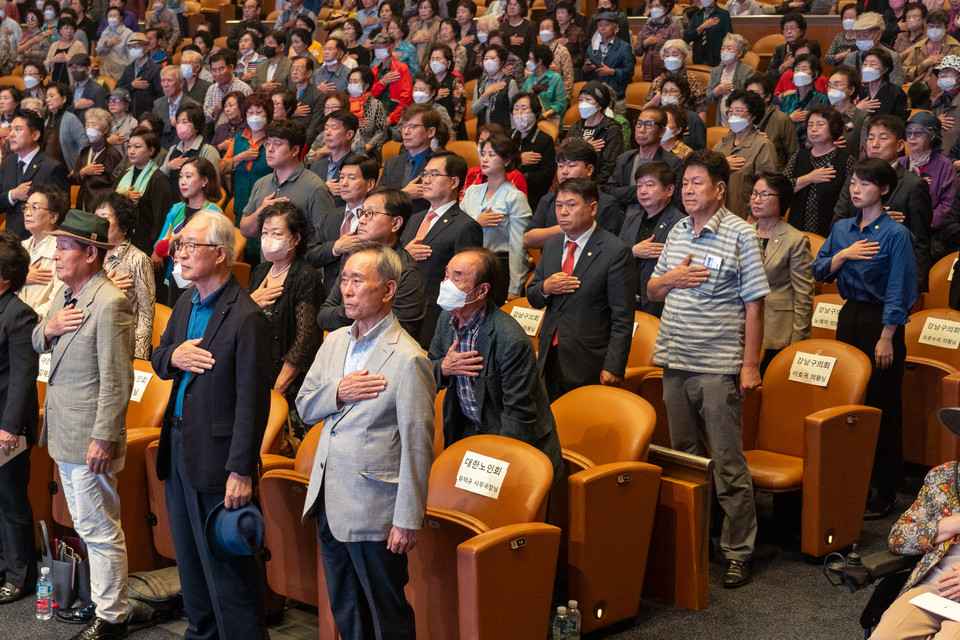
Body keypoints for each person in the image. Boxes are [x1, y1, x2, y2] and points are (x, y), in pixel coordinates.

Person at [297, 240, 434, 640]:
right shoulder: (335, 341)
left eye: (358, 280)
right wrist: (339, 392)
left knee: (386, 614)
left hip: (376, 510)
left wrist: (407, 520)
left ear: (388, 289)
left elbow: (417, 445)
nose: (347, 289)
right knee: (346, 609)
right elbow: (305, 405)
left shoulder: (409, 358)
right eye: (344, 280)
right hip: (329, 498)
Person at [648, 149, 769, 589]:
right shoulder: (677, 231)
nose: (688, 190)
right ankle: (696, 540)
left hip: (717, 365)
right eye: (684, 183)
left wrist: (750, 365)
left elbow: (755, 303)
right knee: (686, 458)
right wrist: (671, 280)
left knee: (728, 462)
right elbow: (654, 290)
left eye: (696, 182)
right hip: (674, 359)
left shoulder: (741, 234)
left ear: (719, 189)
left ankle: (738, 550)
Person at [151, 210, 271, 640]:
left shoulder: (247, 316)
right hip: (179, 444)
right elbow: (159, 358)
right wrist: (175, 356)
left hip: (219, 459)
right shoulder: (185, 301)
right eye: (179, 245)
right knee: (190, 562)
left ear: (220, 254)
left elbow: (253, 403)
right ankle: (201, 634)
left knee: (227, 569)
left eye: (190, 246)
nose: (179, 253)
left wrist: (241, 470)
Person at [33, 208, 134, 640]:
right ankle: (100, 600)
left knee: (99, 527)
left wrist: (104, 438)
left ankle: (113, 616)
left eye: (64, 247)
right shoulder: (65, 294)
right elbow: (37, 339)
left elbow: (117, 380)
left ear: (91, 253)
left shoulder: (110, 303)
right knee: (85, 524)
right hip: (64, 430)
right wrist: (50, 327)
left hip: (90, 438)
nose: (55, 255)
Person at [813, 158, 918, 520]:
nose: (856, 190)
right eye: (854, 183)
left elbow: (900, 287)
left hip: (881, 323)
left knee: (881, 405)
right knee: (849, 404)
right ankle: (853, 480)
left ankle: (885, 488)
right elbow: (819, 269)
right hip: (849, 316)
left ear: (884, 190)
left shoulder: (895, 234)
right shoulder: (842, 228)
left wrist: (887, 335)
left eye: (865, 184)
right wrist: (843, 254)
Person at [428, 246, 563, 480]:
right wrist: (444, 368)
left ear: (482, 290)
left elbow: (518, 415)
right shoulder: (445, 319)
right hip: (467, 432)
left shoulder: (509, 338)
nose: (446, 284)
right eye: (446, 275)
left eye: (457, 278)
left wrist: (493, 467)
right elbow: (427, 371)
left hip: (514, 442)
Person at [527, 176, 635, 401]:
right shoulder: (553, 245)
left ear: (593, 208)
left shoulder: (615, 251)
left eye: (571, 205)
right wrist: (546, 287)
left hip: (590, 360)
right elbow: (533, 296)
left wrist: (614, 366)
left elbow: (622, 317)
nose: (563, 212)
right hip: (551, 355)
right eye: (559, 206)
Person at [833, 114, 933, 294]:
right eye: (871, 138)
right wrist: (873, 219)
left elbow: (921, 242)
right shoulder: (853, 178)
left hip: (893, 276)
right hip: (855, 275)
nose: (875, 144)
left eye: (883, 138)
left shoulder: (914, 185)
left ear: (900, 145)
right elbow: (837, 222)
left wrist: (915, 287)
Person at [317, 187, 427, 338]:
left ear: (396, 223)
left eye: (370, 214)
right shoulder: (354, 260)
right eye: (361, 213)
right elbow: (324, 316)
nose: (361, 220)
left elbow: (403, 333)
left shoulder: (406, 272)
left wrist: (360, 309)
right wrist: (356, 309)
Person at [401, 150, 482, 347]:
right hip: (401, 312)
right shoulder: (413, 219)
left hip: (434, 320)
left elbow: (465, 283)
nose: (426, 180)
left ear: (454, 182)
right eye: (425, 174)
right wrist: (405, 255)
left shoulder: (465, 226)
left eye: (434, 174)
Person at [249, 201, 324, 405]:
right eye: (264, 233)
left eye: (276, 234)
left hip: (288, 384)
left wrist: (279, 387)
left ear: (296, 238)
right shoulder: (260, 271)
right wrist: (249, 304)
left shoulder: (305, 277)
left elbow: (306, 340)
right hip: (255, 373)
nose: (268, 239)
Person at [0, 230, 39, 607]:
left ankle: (20, 576)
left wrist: (10, 428)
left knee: (11, 500)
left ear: (5, 277)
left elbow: (24, 376)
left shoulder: (19, 314)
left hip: (7, 424)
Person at [240, 120, 336, 259]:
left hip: (302, 268)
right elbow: (245, 230)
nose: (270, 149)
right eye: (268, 143)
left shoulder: (315, 187)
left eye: (277, 144)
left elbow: (327, 241)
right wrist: (262, 210)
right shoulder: (261, 183)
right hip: (267, 267)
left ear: (295, 150)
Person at [749, 171, 813, 371]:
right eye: (754, 193)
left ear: (782, 200)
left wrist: (798, 343)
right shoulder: (743, 234)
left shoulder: (795, 240)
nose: (757, 199)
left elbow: (804, 295)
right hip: (741, 329)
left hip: (777, 333)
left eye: (765, 194)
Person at [461, 132, 530, 304]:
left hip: (499, 266)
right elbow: (457, 229)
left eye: (491, 155)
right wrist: (476, 222)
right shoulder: (472, 192)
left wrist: (515, 287)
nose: (484, 159)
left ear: (506, 160)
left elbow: (518, 246)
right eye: (483, 154)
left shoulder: (515, 197)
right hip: (469, 263)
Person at [526, 138, 625, 249]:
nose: (564, 172)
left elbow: (615, 247)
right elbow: (527, 239)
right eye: (560, 166)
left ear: (589, 170)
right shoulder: (548, 200)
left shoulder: (607, 204)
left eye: (571, 166)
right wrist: (564, 228)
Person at [94, 191, 156, 359]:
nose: (98, 223)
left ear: (123, 224)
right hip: (92, 340)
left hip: (123, 345)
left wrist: (139, 357)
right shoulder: (91, 255)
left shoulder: (138, 259)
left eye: (105, 218)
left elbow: (146, 315)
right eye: (96, 217)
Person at [153, 157, 223, 306]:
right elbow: (159, 249)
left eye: (188, 176)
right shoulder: (177, 209)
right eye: (180, 177)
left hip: (202, 281)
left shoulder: (214, 213)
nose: (182, 182)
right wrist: (177, 238)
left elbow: (217, 253)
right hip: (176, 277)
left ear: (204, 180)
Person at [619, 161, 685, 317]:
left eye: (649, 185)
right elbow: (614, 257)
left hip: (661, 306)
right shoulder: (631, 220)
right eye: (639, 186)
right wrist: (633, 251)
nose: (642, 191)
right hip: (627, 303)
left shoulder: (681, 224)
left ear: (669, 190)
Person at [784, 104, 855, 238]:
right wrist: (809, 178)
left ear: (833, 128)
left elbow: (850, 198)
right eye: (810, 125)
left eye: (820, 124)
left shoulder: (846, 160)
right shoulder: (799, 156)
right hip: (796, 229)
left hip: (831, 230)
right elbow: (781, 189)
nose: (814, 129)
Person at [308, 153, 376, 285]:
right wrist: (334, 248)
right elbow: (310, 255)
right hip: (329, 293)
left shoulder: (376, 218)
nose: (344, 183)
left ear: (370, 184)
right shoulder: (330, 216)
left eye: (351, 178)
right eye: (342, 177)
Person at [0, 110, 69, 240]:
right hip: (10, 241)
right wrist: (12, 195)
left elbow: (60, 213)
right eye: (11, 129)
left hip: (39, 242)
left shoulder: (52, 167)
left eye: (18, 129)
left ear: (35, 135)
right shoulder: (7, 163)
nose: (11, 134)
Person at [220, 92, 273, 262]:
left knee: (264, 254)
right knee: (241, 254)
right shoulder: (239, 139)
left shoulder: (273, 140)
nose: (254, 116)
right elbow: (222, 167)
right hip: (241, 204)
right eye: (250, 112)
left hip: (266, 206)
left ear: (268, 115)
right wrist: (241, 156)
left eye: (259, 112)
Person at [711, 89, 778, 218]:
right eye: (731, 112)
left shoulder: (763, 145)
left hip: (745, 215)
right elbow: (707, 168)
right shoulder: (724, 141)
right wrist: (722, 165)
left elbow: (768, 187)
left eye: (739, 112)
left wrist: (753, 215)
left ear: (752, 116)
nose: (733, 116)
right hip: (717, 213)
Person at [902, 111, 956, 260]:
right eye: (909, 132)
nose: (912, 137)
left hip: (931, 233)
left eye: (918, 132)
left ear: (932, 137)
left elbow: (947, 205)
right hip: (901, 230)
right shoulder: (900, 163)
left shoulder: (945, 165)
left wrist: (922, 225)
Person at [605, 106, 682, 208]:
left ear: (662, 131)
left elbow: (675, 200)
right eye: (639, 123)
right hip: (624, 216)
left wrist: (626, 193)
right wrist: (643, 191)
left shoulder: (672, 163)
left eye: (649, 125)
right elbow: (610, 191)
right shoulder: (624, 159)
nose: (641, 130)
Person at [115, 125, 176, 255]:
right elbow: (110, 204)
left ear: (151, 150)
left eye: (137, 147)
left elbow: (162, 219)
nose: (131, 151)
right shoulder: (124, 175)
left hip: (147, 246)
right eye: (129, 146)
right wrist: (122, 198)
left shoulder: (158, 180)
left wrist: (157, 250)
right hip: (123, 242)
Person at [379, 103, 440, 213]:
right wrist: (404, 194)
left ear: (431, 132)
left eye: (413, 126)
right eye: (404, 126)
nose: (406, 132)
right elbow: (379, 199)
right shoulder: (391, 163)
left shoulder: (439, 164)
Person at [18, 184, 67, 320]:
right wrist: (21, 279)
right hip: (12, 322)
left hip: (40, 324)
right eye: (26, 207)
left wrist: (27, 320)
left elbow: (58, 300)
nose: (27, 213)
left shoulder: (62, 252)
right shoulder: (20, 247)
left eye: (35, 208)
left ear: (53, 217)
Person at [565, 81, 624, 188]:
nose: (583, 104)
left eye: (588, 99)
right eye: (581, 100)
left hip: (598, 187)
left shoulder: (612, 129)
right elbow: (564, 155)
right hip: (573, 183)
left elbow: (609, 165)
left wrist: (596, 187)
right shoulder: (576, 127)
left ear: (600, 104)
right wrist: (586, 148)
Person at [161, 103, 221, 195]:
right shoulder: (173, 149)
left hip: (198, 201)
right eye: (178, 122)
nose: (180, 125)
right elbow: (159, 178)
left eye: (185, 122)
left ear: (196, 126)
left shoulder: (208, 150)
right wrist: (167, 167)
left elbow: (213, 183)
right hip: (173, 201)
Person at [70, 107, 122, 212]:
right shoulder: (84, 152)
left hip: (101, 206)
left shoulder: (113, 155)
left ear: (105, 130)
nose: (89, 129)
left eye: (94, 125)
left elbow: (117, 185)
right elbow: (73, 179)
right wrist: (83, 172)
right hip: (82, 204)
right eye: (87, 125)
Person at [511, 92, 558, 209]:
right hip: (506, 192)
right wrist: (518, 160)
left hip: (533, 196)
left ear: (535, 113)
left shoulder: (545, 140)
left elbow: (547, 174)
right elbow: (498, 164)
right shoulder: (507, 137)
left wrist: (520, 178)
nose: (519, 113)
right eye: (516, 109)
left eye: (524, 109)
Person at [745, 74, 799, 170]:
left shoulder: (781, 119)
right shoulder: (743, 117)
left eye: (754, 94)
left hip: (773, 174)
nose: (750, 98)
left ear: (767, 97)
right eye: (747, 94)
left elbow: (793, 154)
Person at [583, 11, 635, 110]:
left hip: (616, 95)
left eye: (607, 25)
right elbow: (587, 73)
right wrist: (586, 69)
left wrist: (612, 71)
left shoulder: (624, 47)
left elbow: (629, 72)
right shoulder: (592, 47)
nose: (603, 28)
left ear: (616, 27)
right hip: (596, 96)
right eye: (600, 25)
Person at [903, 8, 960, 88]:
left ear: (946, 28)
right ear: (926, 26)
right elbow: (904, 73)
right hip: (918, 89)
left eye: (938, 27)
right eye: (931, 26)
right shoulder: (918, 47)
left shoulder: (955, 47)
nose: (934, 30)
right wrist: (923, 65)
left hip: (944, 90)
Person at [844, 12, 905, 85]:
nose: (862, 39)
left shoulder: (893, 57)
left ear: (878, 34)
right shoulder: (851, 58)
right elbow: (847, 86)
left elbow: (896, 86)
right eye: (858, 36)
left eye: (866, 35)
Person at [708, 34, 753, 127]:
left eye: (729, 48)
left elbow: (751, 99)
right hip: (721, 120)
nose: (724, 51)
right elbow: (707, 98)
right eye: (722, 48)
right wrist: (716, 92)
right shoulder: (716, 71)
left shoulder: (747, 71)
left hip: (741, 120)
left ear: (739, 53)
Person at [345, 66, 389, 160]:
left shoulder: (375, 105)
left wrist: (365, 148)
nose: (352, 84)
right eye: (350, 82)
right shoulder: (344, 103)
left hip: (368, 154)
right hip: (344, 151)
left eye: (355, 82)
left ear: (366, 85)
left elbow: (382, 131)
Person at [472, 43, 519, 131]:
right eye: (486, 58)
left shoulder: (510, 83)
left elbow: (515, 112)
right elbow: (474, 111)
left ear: (501, 62)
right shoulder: (479, 83)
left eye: (492, 58)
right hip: (483, 132)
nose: (489, 61)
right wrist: (486, 94)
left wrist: (514, 134)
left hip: (503, 133)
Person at [370, 31, 414, 125]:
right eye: (376, 47)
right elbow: (370, 95)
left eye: (381, 47)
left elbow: (407, 98)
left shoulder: (401, 69)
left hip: (395, 118)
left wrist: (391, 119)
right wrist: (382, 82)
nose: (378, 50)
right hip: (375, 116)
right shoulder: (374, 70)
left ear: (392, 47)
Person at [116, 32, 163, 117]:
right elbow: (118, 89)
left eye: (136, 46)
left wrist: (154, 115)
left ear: (146, 48)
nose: (133, 49)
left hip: (148, 114)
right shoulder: (128, 69)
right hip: (129, 114)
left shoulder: (155, 69)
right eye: (130, 47)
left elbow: (160, 96)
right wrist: (131, 85)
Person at [203, 52, 252, 130]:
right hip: (218, 133)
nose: (217, 74)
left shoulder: (243, 89)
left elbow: (251, 116)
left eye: (221, 69)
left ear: (231, 68)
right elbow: (205, 118)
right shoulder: (212, 89)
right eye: (214, 70)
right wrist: (216, 109)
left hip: (239, 133)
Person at [153, 65, 199, 149]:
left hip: (184, 150)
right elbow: (154, 128)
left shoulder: (193, 106)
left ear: (181, 83)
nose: (165, 85)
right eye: (163, 80)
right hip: (160, 151)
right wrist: (171, 123)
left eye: (169, 80)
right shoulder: (157, 104)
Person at [521, 45, 566, 129]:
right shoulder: (530, 79)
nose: (528, 62)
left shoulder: (555, 78)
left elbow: (561, 104)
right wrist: (532, 92)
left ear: (539, 61)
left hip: (550, 124)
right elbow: (521, 100)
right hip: (531, 124)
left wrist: (546, 114)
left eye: (530, 59)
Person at [638, 0, 683, 82]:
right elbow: (637, 51)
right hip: (647, 71)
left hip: (665, 71)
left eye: (658, 6)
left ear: (666, 8)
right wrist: (646, 42)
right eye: (652, 6)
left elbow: (675, 51)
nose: (654, 9)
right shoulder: (647, 26)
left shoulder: (673, 26)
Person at [683, 0, 732, 66]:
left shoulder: (723, 14)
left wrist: (724, 58)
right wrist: (703, 26)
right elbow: (688, 38)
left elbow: (728, 37)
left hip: (716, 56)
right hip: (699, 56)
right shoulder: (697, 15)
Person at [95, 6, 134, 80]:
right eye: (110, 16)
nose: (112, 18)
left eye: (114, 15)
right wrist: (107, 44)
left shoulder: (128, 33)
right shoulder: (105, 32)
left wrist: (127, 73)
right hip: (105, 72)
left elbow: (131, 57)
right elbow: (98, 51)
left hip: (121, 74)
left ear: (121, 18)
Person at [766, 12, 806, 81]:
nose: (789, 31)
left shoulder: (808, 48)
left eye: (792, 28)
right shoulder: (780, 49)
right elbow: (768, 74)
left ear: (802, 31)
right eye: (786, 28)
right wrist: (783, 67)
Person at [68, 53, 108, 124]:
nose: (75, 70)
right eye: (73, 67)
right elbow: (62, 111)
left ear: (89, 69)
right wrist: (75, 106)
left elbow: (102, 116)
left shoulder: (97, 90)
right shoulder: (70, 89)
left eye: (79, 67)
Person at [933, 55, 960, 156]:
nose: (942, 75)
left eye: (948, 70)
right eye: (940, 71)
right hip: (939, 156)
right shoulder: (937, 99)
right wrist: (936, 122)